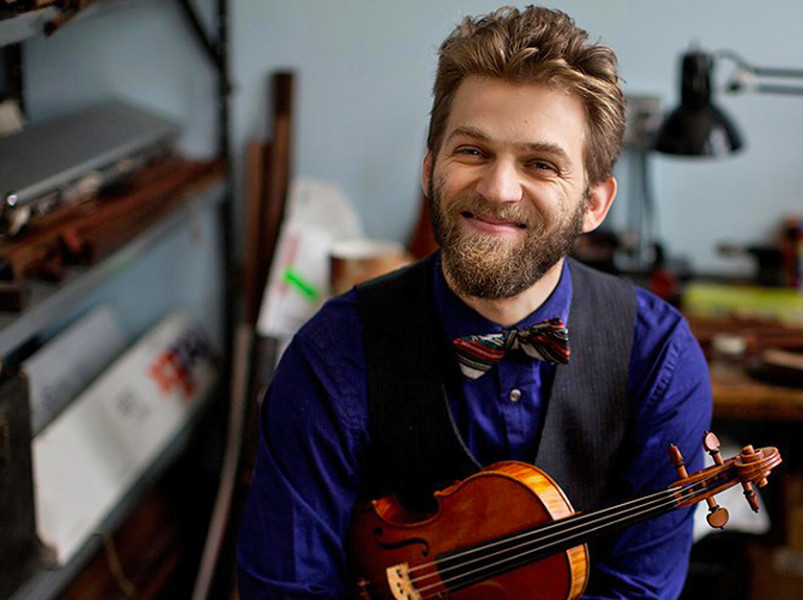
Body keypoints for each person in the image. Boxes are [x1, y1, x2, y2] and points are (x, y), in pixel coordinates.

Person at [236, 6, 712, 599]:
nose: (497, 189)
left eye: (540, 164)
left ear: (594, 203)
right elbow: (287, 590)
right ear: (431, 166)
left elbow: (636, 592)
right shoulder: (331, 355)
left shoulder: (659, 360)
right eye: (472, 152)